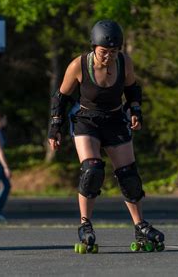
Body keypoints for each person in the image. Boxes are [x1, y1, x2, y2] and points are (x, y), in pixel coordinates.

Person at [48, 20, 164, 253]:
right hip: (87, 121)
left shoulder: (124, 62)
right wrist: (55, 128)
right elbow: (61, 97)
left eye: (113, 52)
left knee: (129, 176)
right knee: (92, 170)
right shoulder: (79, 65)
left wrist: (135, 110)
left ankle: (140, 226)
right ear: (93, 47)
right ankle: (85, 225)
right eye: (103, 52)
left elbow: (132, 90)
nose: (108, 57)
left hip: (114, 119)